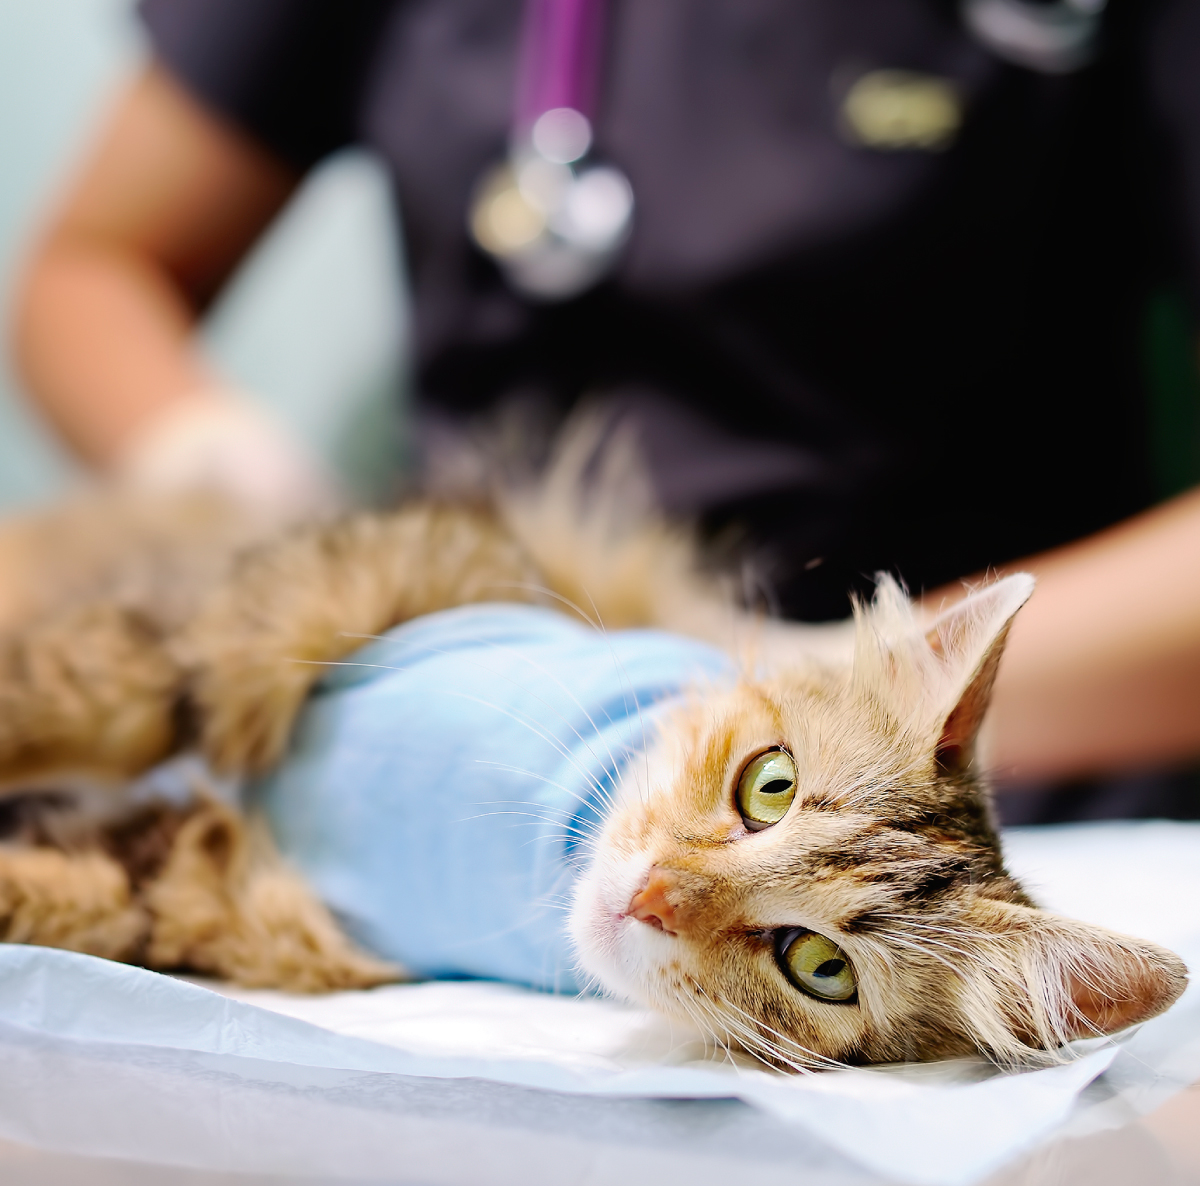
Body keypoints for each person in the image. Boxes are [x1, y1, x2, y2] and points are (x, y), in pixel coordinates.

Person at [10, 0, 1200, 819]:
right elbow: (96, 267)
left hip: (977, 792)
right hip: (465, 721)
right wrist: (225, 473)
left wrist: (855, 691)